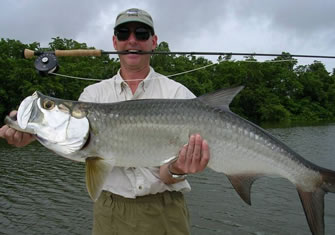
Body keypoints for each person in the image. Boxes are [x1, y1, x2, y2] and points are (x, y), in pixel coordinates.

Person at [0, 8, 210, 235]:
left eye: (141, 33)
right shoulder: (93, 95)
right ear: (114, 41)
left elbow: (167, 175)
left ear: (153, 42)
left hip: (165, 214)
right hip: (109, 214)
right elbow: (75, 147)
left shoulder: (179, 94)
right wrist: (34, 133)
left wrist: (178, 169)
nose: (132, 40)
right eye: (123, 34)